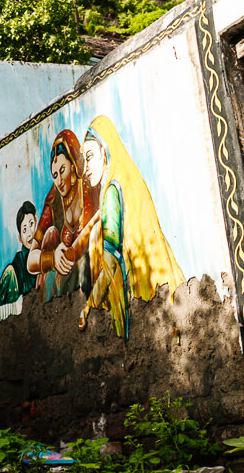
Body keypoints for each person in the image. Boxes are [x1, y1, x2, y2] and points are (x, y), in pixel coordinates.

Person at [78, 115, 185, 339]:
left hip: (148, 304)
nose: (85, 168)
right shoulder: (128, 181)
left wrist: (90, 304)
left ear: (105, 154)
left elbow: (111, 260)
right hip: (169, 296)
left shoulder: (111, 193)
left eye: (90, 157)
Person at [27, 129, 97, 304]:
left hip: (89, 272)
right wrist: (52, 258)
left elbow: (99, 218)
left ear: (73, 165)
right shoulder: (52, 201)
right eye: (54, 175)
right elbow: (30, 261)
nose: (58, 181)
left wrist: (74, 250)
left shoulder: (89, 183)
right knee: (50, 233)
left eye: (62, 170)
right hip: (62, 282)